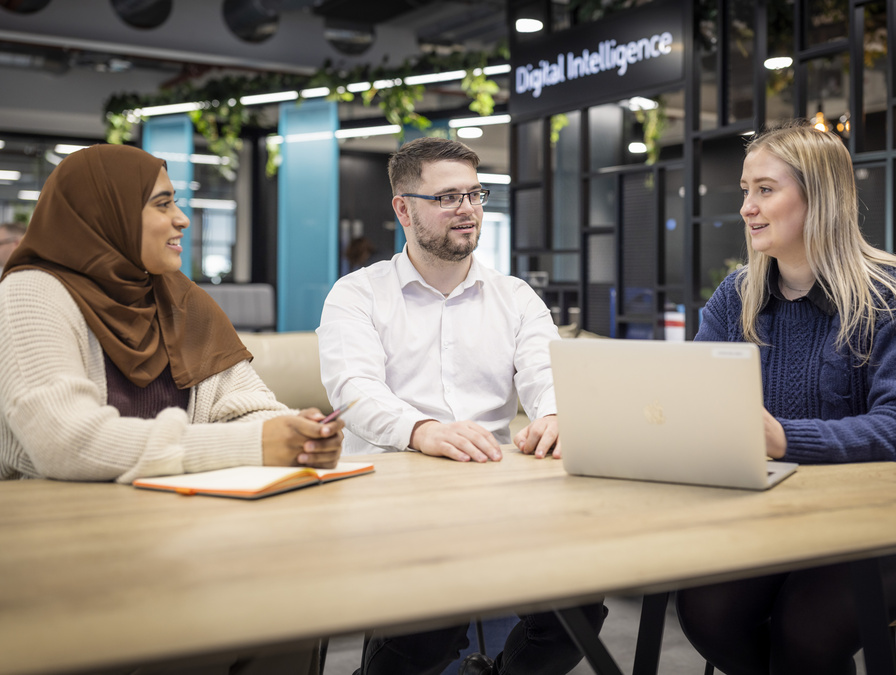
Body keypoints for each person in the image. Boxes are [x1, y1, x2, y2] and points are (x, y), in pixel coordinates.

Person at [0, 144, 343, 674]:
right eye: (162, 204)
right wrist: (255, 444)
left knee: (291, 614)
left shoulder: (177, 296)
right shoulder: (31, 294)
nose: (181, 218)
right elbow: (66, 442)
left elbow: (246, 405)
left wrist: (292, 430)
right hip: (65, 554)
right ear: (106, 212)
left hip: (180, 535)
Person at [674, 122, 896, 675]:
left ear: (819, 196)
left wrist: (784, 439)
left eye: (765, 190)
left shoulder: (893, 293)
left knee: (808, 629)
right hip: (784, 516)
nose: (747, 208)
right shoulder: (738, 295)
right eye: (745, 190)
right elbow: (694, 398)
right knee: (706, 611)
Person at [318, 137, 605, 675]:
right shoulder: (356, 294)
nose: (468, 209)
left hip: (495, 493)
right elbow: (353, 389)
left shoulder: (515, 296)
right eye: (448, 197)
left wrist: (556, 412)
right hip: (393, 498)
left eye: (475, 194)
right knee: (429, 617)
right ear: (403, 208)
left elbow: (548, 373)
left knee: (579, 612)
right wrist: (421, 429)